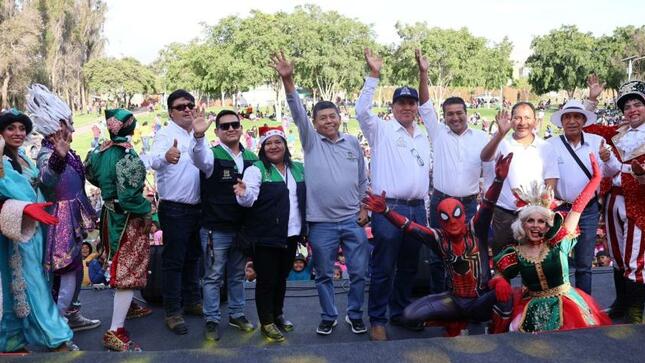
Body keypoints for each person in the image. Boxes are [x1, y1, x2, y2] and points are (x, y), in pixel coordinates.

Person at [272, 52, 369, 336]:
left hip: (352, 220)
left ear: (340, 118)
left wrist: (364, 208)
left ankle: (354, 314)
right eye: (322, 118)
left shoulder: (352, 144)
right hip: (321, 224)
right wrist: (287, 79)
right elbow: (296, 110)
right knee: (324, 274)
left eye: (332, 116)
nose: (328, 121)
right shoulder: (311, 140)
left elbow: (363, 180)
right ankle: (329, 315)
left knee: (360, 273)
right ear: (314, 123)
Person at [363, 154, 514, 337]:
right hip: (455, 300)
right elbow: (408, 225)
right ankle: (455, 320)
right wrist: (386, 211)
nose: (452, 222)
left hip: (480, 298)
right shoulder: (438, 238)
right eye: (445, 217)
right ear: (440, 220)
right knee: (409, 315)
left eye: (456, 215)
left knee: (506, 293)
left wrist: (498, 180)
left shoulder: (476, 229)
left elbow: (488, 205)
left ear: (464, 216)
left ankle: (497, 335)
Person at [356, 48, 433, 341]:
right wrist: (373, 75)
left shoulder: (424, 136)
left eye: (411, 103)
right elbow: (361, 111)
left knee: (410, 266)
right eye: (401, 103)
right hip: (388, 209)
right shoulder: (381, 130)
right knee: (384, 266)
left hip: (416, 209)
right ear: (392, 107)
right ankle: (378, 318)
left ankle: (399, 311)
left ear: (416, 107)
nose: (406, 108)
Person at [492, 154, 611, 332]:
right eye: (530, 221)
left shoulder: (557, 243)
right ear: (522, 225)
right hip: (532, 306)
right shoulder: (515, 252)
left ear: (548, 226)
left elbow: (576, 209)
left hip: (565, 303)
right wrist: (499, 282)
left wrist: (595, 180)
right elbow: (499, 274)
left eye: (541, 221)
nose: (535, 226)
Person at [0, 109, 78, 352]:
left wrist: (58, 157)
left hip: (33, 230)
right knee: (32, 286)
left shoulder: (22, 156)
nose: (18, 133)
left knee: (21, 287)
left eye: (21, 128)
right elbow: (10, 192)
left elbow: (45, 183)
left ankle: (10, 341)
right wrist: (26, 207)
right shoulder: (1, 162)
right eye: (11, 128)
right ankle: (57, 338)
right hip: (15, 232)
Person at [26, 84, 101, 332]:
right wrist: (58, 157)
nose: (72, 127)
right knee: (67, 269)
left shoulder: (65, 151)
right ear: (57, 126)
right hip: (60, 220)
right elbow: (47, 180)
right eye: (68, 122)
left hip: (73, 217)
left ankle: (71, 313)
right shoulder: (47, 153)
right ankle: (57, 326)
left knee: (76, 268)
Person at [85, 109, 152, 351]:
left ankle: (129, 305)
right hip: (128, 219)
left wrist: (108, 189)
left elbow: (91, 174)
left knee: (116, 261)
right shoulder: (128, 157)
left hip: (108, 214)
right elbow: (130, 197)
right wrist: (148, 211)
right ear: (129, 127)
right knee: (128, 269)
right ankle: (115, 330)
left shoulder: (98, 152)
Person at [189, 109, 258, 341]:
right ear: (217, 131)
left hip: (242, 229)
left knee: (237, 274)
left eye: (234, 125)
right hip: (215, 229)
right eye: (225, 126)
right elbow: (198, 157)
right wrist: (198, 136)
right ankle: (211, 318)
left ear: (241, 128)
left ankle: (237, 313)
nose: (230, 129)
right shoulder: (210, 155)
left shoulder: (252, 158)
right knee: (213, 276)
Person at [234, 126, 305, 343]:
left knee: (281, 278)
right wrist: (244, 194)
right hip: (266, 235)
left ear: (285, 145)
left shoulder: (298, 168)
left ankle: (278, 314)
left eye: (278, 142)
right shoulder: (256, 170)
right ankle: (266, 322)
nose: (274, 146)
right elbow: (248, 199)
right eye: (269, 143)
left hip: (292, 234)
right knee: (267, 280)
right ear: (262, 147)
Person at [584, 77, 645, 323]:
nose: (631, 110)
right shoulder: (618, 133)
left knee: (636, 258)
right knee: (618, 256)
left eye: (636, 104)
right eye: (627, 106)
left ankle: (636, 309)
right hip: (612, 199)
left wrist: (631, 170)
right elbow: (586, 129)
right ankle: (622, 303)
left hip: (639, 201)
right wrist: (592, 99)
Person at [546, 96, 619, 295]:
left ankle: (585, 308)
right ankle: (559, 306)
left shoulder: (598, 142)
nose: (571, 121)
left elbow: (614, 171)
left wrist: (609, 158)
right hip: (561, 210)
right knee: (557, 262)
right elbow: (548, 178)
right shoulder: (551, 145)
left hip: (588, 209)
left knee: (584, 264)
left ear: (584, 121)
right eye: (567, 117)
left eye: (577, 117)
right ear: (561, 121)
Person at [150, 90, 203, 335]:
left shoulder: (197, 133)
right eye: (181, 106)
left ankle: (192, 301)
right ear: (171, 112)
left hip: (197, 207)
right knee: (174, 261)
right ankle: (173, 311)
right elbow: (153, 159)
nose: (187, 110)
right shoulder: (165, 134)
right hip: (174, 209)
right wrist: (166, 155)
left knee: (194, 257)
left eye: (190, 105)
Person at [480, 102, 560, 255]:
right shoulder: (502, 143)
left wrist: (544, 210)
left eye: (527, 118)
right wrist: (500, 134)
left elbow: (551, 181)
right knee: (502, 262)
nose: (522, 123)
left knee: (532, 262)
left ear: (535, 121)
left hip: (533, 215)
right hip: (504, 214)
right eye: (517, 118)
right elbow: (485, 157)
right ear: (511, 120)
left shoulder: (545, 147)